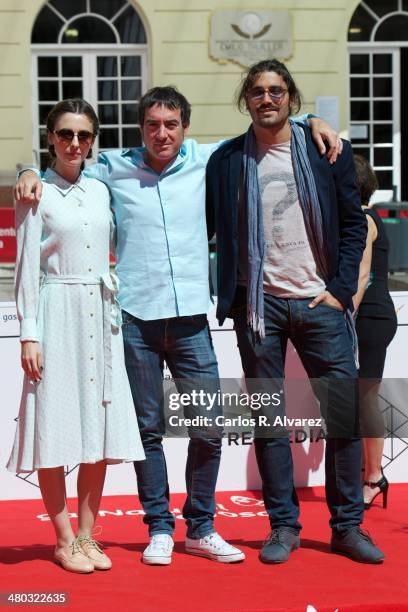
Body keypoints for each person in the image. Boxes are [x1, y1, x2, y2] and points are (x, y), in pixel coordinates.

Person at [14, 86, 341, 566]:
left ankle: (201, 527)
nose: (161, 133)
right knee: (147, 432)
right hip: (133, 319)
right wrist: (25, 170)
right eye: (152, 124)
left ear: (185, 127)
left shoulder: (207, 158)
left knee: (209, 427)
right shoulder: (110, 170)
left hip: (190, 317)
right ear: (139, 129)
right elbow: (61, 168)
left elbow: (262, 124)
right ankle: (159, 529)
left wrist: (310, 117)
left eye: (170, 124)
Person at [206, 59, 385, 564]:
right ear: (247, 99)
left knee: (344, 419)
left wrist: (341, 289)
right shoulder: (225, 161)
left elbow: (355, 224)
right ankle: (282, 526)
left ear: (291, 97)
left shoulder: (324, 150)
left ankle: (348, 526)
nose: (268, 99)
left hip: (320, 305)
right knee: (269, 423)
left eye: (277, 91)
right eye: (258, 91)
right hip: (259, 309)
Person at [7, 98, 145, 573]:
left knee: (98, 429)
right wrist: (30, 334)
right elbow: (26, 268)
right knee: (53, 426)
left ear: (93, 142)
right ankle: (63, 538)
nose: (74, 143)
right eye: (65, 134)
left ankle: (88, 536)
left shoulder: (101, 191)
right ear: (50, 138)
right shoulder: (33, 192)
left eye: (84, 136)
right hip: (56, 312)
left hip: (101, 315)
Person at [352, 154, 397, 510]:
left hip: (371, 317)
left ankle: (374, 477)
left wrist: (343, 314)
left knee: (366, 397)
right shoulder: (367, 217)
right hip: (372, 317)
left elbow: (362, 277)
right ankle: (368, 472)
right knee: (359, 395)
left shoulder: (364, 219)